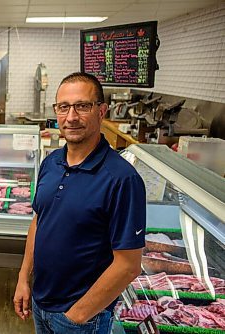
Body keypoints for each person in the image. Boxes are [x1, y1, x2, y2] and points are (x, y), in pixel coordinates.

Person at [13, 72, 146, 334]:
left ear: (101, 111)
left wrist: (78, 315)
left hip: (83, 317)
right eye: (64, 107)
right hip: (41, 304)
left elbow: (129, 266)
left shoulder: (122, 179)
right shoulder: (51, 163)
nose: (71, 117)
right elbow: (40, 221)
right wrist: (23, 278)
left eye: (82, 106)